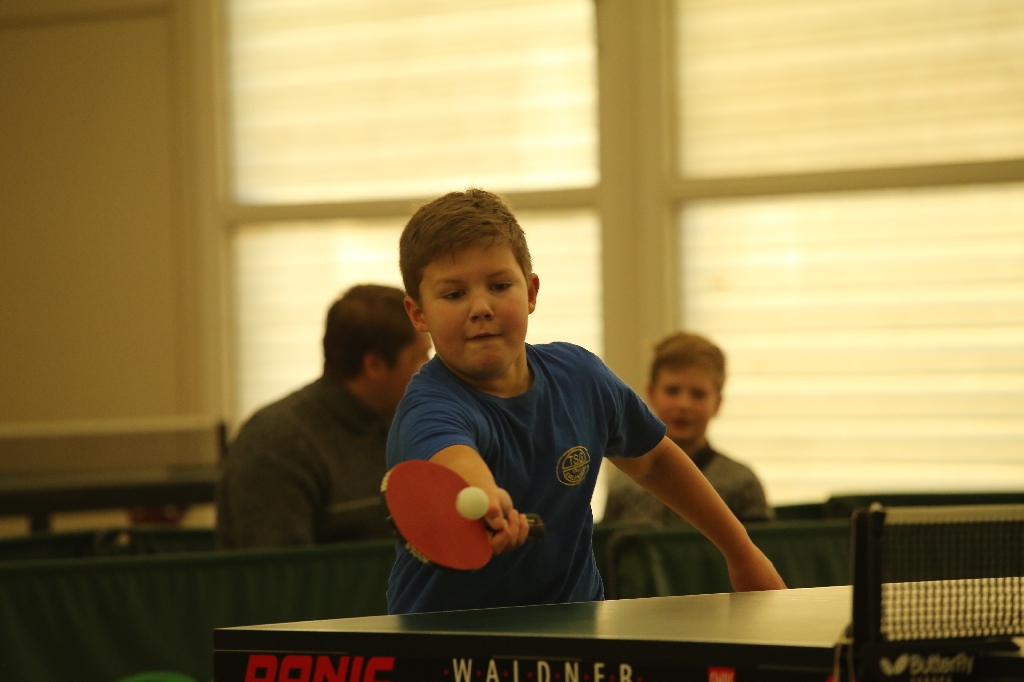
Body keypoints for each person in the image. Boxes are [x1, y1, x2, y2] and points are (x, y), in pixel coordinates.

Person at [385, 188, 785, 614]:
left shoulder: (580, 377)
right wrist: (485, 494)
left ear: (531, 292)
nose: (481, 307)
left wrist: (742, 553)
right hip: (446, 635)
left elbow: (654, 462)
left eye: (499, 285)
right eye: (453, 294)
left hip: (575, 623)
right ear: (418, 314)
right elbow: (453, 459)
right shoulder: (428, 406)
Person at [217, 284, 432, 548]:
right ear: (374, 366)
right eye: (420, 358)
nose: (431, 372)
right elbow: (278, 569)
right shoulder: (275, 443)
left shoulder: (401, 428)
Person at [602, 332, 775, 527]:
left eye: (698, 394)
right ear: (651, 395)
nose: (684, 405)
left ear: (717, 403)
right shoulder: (624, 482)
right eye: (672, 391)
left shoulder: (742, 484)